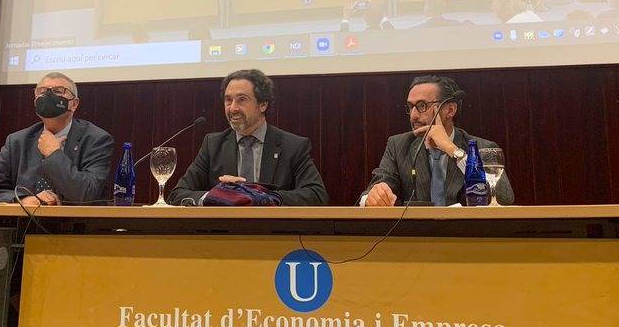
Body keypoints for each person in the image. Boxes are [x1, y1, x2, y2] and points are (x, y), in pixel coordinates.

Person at [168, 69, 328, 206]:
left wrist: (262, 196)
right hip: (223, 230)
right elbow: (177, 194)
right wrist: (218, 196)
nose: (233, 108)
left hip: (274, 230)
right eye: (228, 100)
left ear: (263, 104)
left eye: (242, 100)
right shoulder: (213, 144)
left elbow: (317, 195)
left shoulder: (292, 146)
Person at [360, 75, 514, 207]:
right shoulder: (398, 145)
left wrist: (452, 150)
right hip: (417, 232)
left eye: (422, 106)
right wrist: (372, 197)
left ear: (450, 110)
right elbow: (373, 191)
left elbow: (504, 199)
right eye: (410, 107)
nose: (413, 115)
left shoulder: (481, 148)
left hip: (467, 231)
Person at [0, 72, 114, 205]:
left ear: (74, 104)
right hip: (22, 222)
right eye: (42, 91)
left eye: (58, 91)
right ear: (35, 102)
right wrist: (22, 199)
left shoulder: (96, 139)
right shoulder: (17, 141)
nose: (49, 96)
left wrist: (54, 154)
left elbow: (88, 194)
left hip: (74, 223)